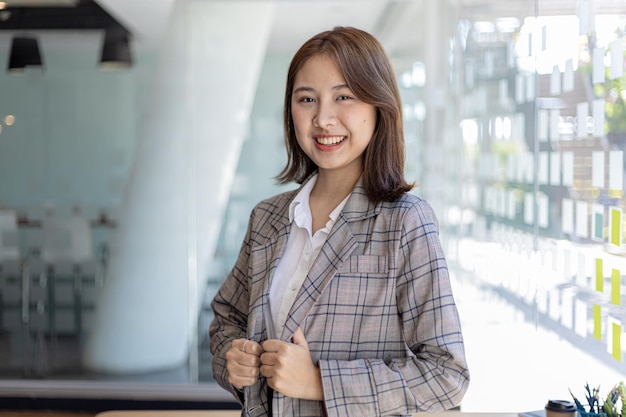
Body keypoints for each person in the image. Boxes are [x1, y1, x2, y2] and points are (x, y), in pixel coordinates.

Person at [209, 26, 470, 417]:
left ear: (378, 106)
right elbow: (226, 319)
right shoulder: (267, 217)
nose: (323, 119)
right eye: (307, 99)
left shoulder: (405, 223)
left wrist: (318, 382)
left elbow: (446, 375)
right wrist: (233, 359)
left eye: (343, 97)